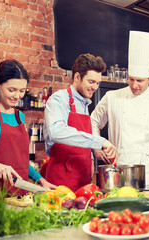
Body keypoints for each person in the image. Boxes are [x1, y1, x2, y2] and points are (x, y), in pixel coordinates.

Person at [90, 31, 149, 190]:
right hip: (116, 169)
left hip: (145, 170)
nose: (134, 85)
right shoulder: (112, 97)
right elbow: (93, 121)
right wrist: (96, 147)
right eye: (131, 79)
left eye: (140, 81)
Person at [0, 60, 56, 202]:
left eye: (22, 90)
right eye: (11, 90)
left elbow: (21, 163)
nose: (17, 96)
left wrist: (40, 180)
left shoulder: (20, 116)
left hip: (20, 197)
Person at [43, 53, 116, 192]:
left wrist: (94, 153)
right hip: (61, 181)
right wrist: (100, 141)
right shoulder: (59, 99)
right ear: (77, 77)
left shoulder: (84, 104)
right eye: (91, 82)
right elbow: (56, 131)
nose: (95, 87)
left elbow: (80, 137)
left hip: (83, 180)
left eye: (97, 83)